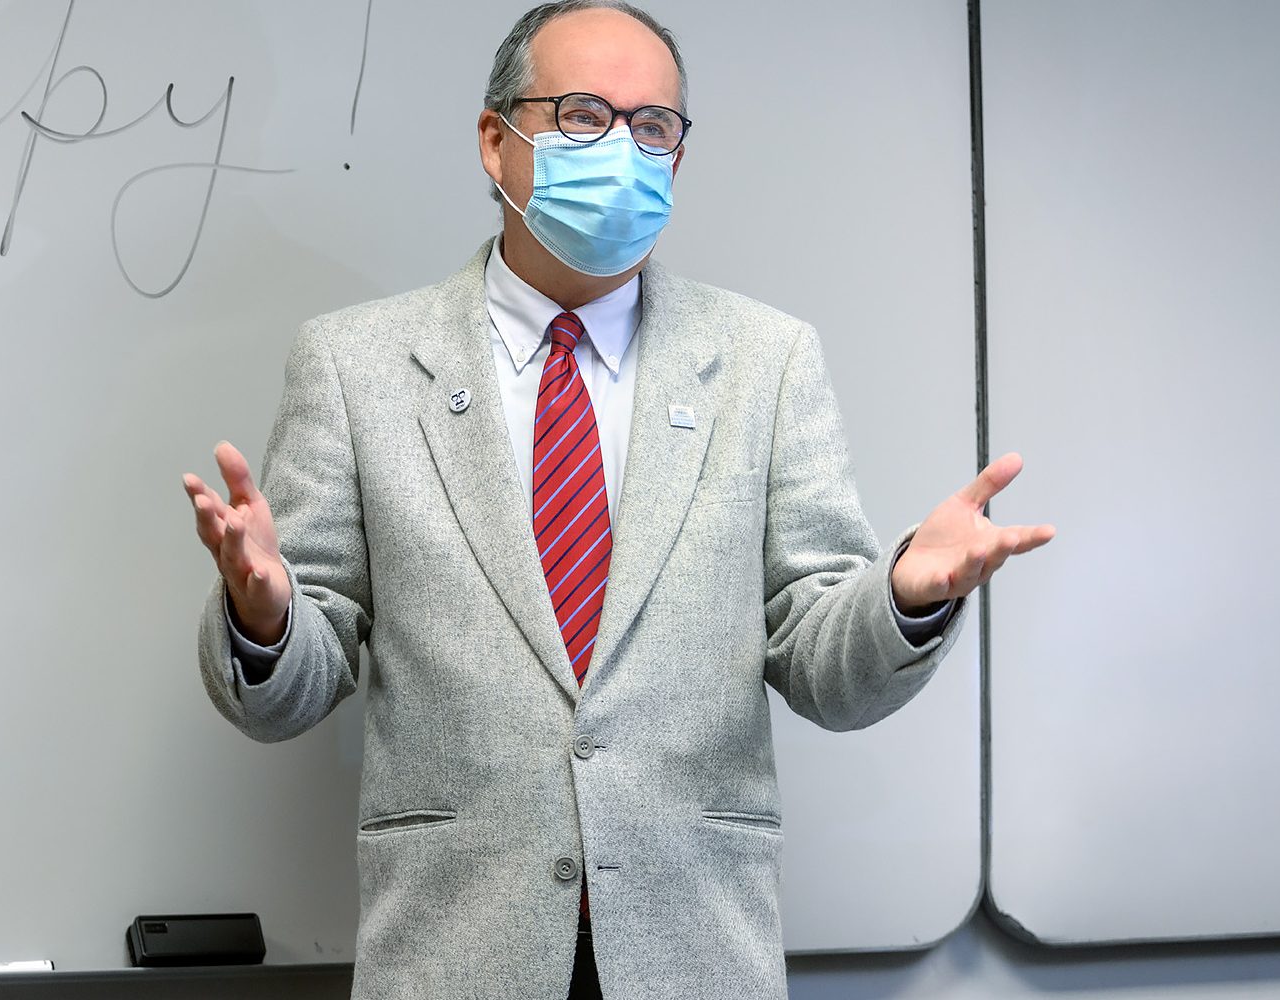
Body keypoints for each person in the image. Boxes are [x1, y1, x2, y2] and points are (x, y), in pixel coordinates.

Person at [180, 2, 1054, 997]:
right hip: (456, 952)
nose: (623, 150)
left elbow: (827, 668)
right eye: (585, 116)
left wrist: (902, 597)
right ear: (496, 142)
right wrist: (266, 616)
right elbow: (291, 688)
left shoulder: (766, 362)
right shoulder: (356, 366)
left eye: (653, 127)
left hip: (694, 951)